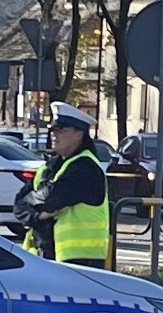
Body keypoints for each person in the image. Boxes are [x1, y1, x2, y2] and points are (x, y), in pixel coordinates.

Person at [13, 101, 110, 268]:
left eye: (61, 130)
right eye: (53, 130)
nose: (54, 135)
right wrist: (37, 216)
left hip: (80, 262)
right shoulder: (49, 167)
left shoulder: (85, 167)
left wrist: (31, 205)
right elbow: (18, 204)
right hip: (45, 255)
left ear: (79, 134)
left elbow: (52, 197)